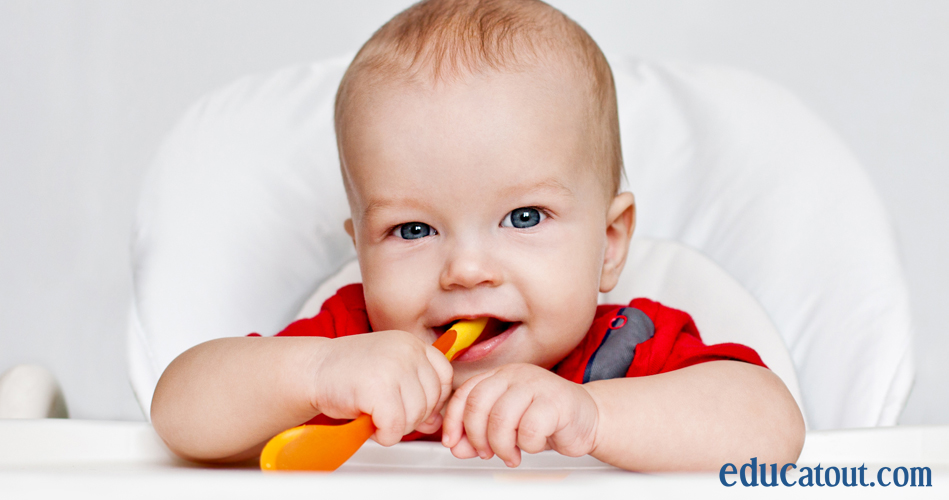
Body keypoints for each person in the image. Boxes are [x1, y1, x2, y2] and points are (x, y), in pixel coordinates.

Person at [151, 0, 805, 471]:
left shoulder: (626, 353)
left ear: (608, 243)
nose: (465, 270)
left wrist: (593, 418)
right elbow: (179, 414)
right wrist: (317, 374)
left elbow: (770, 430)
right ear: (361, 252)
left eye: (523, 218)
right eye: (412, 229)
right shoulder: (354, 348)